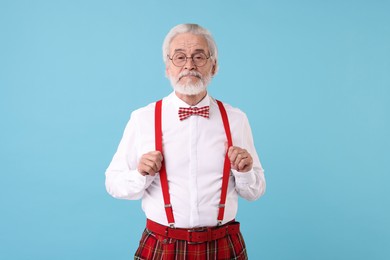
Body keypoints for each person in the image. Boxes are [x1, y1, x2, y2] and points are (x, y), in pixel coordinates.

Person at [105, 23, 266, 259]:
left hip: (222, 244)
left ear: (214, 65)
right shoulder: (143, 118)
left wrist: (245, 172)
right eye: (180, 57)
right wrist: (141, 174)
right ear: (167, 67)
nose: (189, 65)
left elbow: (256, 191)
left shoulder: (236, 119)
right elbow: (114, 183)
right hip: (162, 245)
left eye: (199, 56)